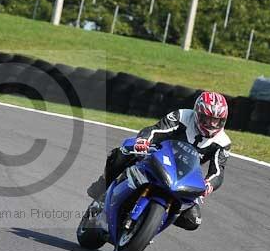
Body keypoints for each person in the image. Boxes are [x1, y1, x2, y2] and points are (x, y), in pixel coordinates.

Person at [86, 91, 231, 231]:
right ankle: (104, 186)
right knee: (122, 153)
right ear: (197, 113)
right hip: (159, 154)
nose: (211, 124)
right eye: (207, 118)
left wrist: (209, 184)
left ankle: (153, 225)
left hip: (184, 174)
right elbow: (155, 130)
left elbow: (218, 171)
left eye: (216, 120)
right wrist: (144, 141)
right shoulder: (181, 116)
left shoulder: (223, 142)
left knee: (193, 220)